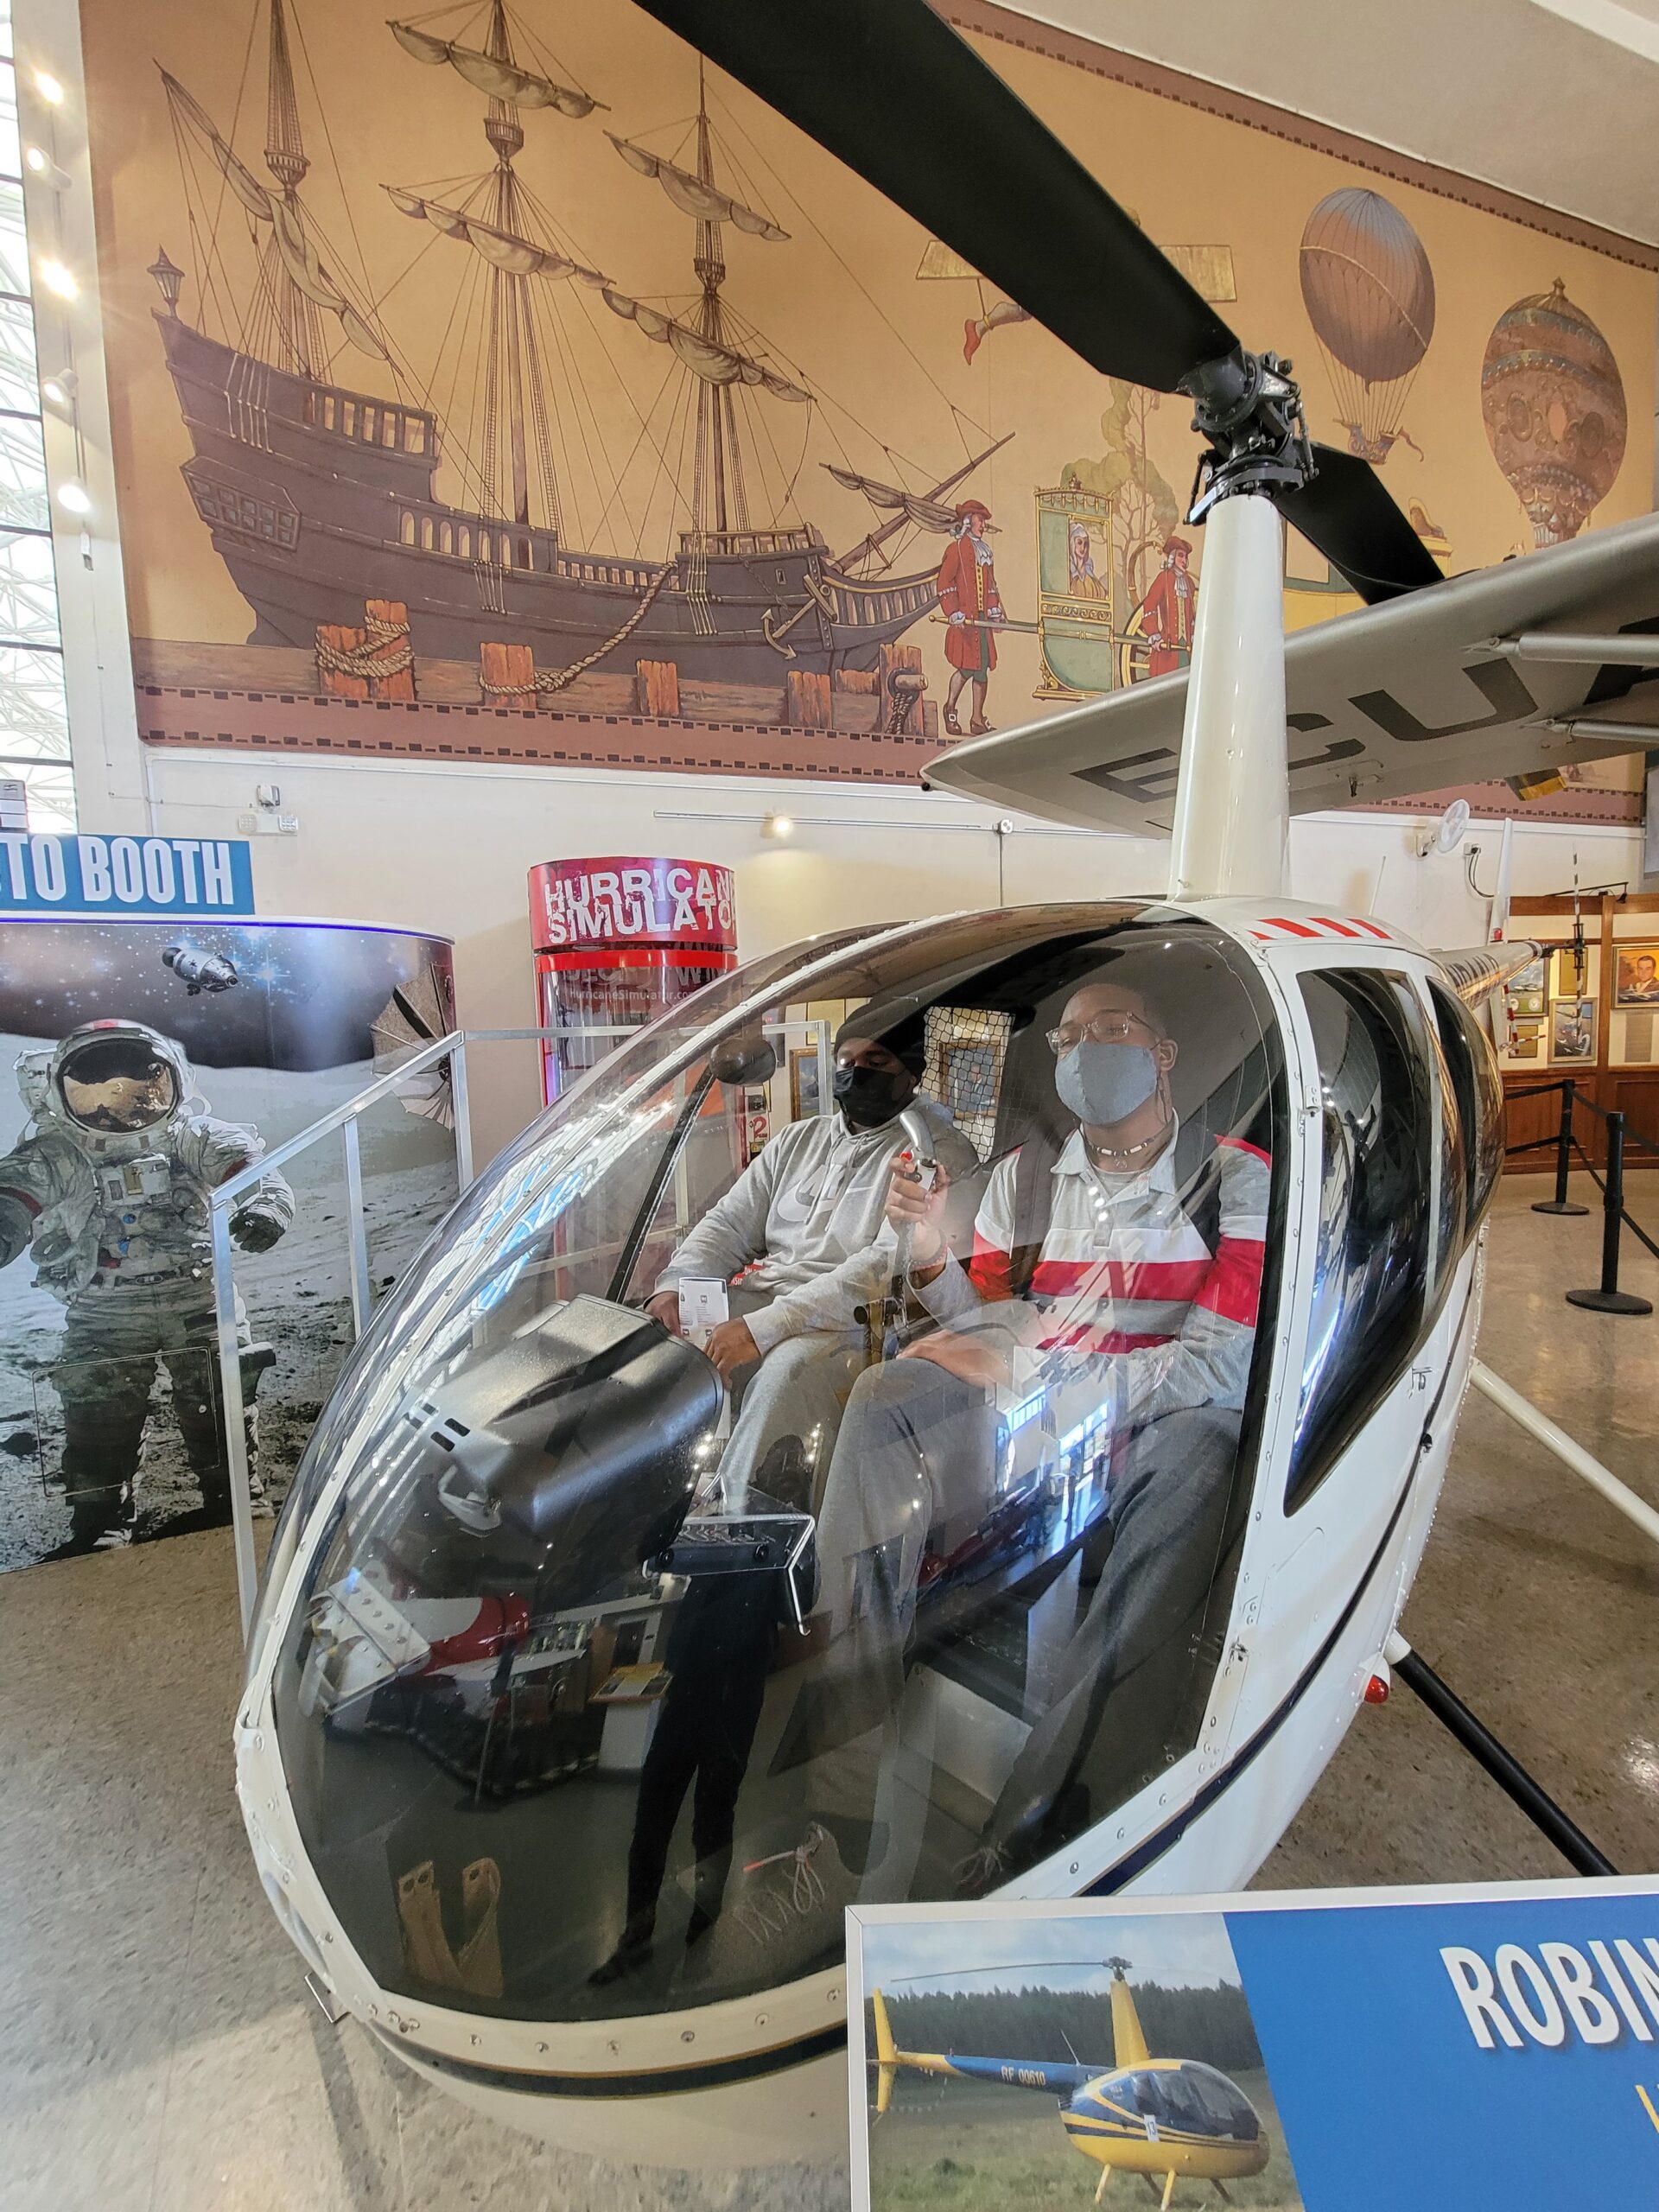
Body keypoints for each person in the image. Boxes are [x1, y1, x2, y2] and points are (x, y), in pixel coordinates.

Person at [798, 969, 1268, 1890]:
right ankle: (841, 1788)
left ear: (1165, 1055)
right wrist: (929, 1252)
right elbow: (983, 1324)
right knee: (887, 1394)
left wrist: (1041, 1376)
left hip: (1152, 1433)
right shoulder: (1024, 1182)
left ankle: (1038, 1828)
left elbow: (1217, 1370)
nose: (1085, 1051)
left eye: (1112, 1029)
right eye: (1069, 1038)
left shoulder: (1232, 1179)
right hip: (1034, 1425)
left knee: (1205, 1451)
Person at [646, 1014, 979, 1507]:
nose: (857, 1072)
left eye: (876, 1061)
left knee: (787, 1372)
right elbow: (728, 1223)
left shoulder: (934, 1151)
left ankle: (741, 1521)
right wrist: (675, 1283)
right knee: (656, 1345)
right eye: (846, 1061)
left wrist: (762, 1329)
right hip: (766, 1300)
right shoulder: (796, 1140)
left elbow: (882, 1268)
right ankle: (660, 1506)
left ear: (910, 1072)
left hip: (853, 1324)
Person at [0, 1020, 295, 1554]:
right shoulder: (60, 1152)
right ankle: (101, 1520)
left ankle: (233, 1499)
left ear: (172, 1082)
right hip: (104, 1309)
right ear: (62, 1094)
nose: (118, 1110)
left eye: (140, 1090)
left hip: (199, 1298)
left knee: (220, 1399)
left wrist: (266, 1206)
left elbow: (254, 1170)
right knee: (98, 1412)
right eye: (96, 1095)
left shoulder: (191, 1137)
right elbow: (14, 1192)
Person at [935, 499, 1005, 737]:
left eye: (984, 521)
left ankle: (976, 719)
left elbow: (991, 586)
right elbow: (944, 582)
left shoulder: (984, 552)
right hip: (965, 622)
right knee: (966, 669)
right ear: (969, 520)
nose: (983, 525)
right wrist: (953, 611)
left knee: (982, 670)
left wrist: (994, 612)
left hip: (982, 621)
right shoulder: (956, 549)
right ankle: (950, 708)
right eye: (980, 520)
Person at [1129, 535, 1198, 679]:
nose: (1184, 561)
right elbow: (1150, 605)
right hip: (1168, 648)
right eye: (1180, 556)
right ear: (1172, 557)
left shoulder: (1189, 583)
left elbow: (1192, 615)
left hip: (1187, 649)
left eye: (1185, 557)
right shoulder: (1164, 579)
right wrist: (1154, 634)